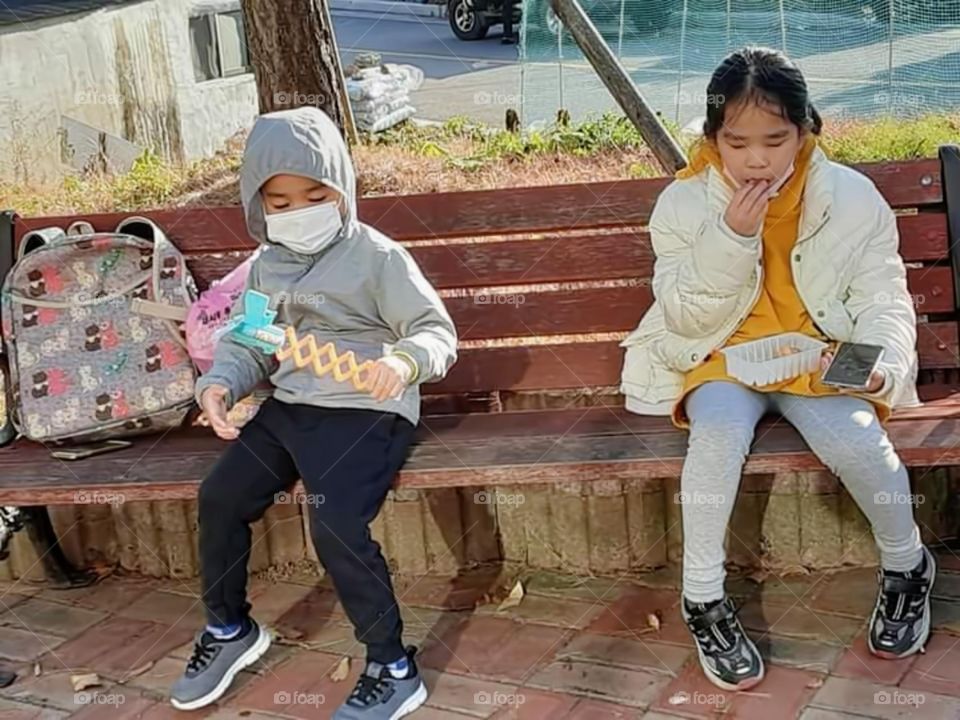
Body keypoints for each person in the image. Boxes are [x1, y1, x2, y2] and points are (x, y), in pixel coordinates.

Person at [620, 47, 935, 691]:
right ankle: (703, 598)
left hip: (818, 352)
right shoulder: (683, 204)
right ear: (712, 140)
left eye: (775, 139)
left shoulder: (850, 196)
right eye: (735, 142)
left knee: (857, 437)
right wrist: (730, 239)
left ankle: (908, 567)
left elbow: (881, 296)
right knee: (716, 438)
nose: (756, 159)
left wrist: (878, 363)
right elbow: (681, 315)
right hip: (721, 355)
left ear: (806, 129)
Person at [170, 106, 458, 719]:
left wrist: (405, 363)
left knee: (334, 525)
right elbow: (250, 341)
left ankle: (392, 665)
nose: (298, 211)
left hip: (365, 409)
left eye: (315, 194)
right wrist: (220, 385)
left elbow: (435, 331)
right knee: (219, 498)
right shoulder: (267, 265)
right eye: (280, 200)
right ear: (259, 205)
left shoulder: (378, 257)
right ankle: (229, 630)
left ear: (342, 190)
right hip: (291, 403)